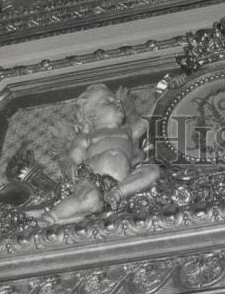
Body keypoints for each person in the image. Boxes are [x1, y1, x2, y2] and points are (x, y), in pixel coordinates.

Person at [28, 83, 160, 225]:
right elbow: (72, 157)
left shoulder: (127, 131)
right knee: (89, 197)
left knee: (153, 171)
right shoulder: (86, 137)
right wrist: (70, 166)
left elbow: (148, 119)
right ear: (92, 115)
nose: (117, 102)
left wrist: (165, 93)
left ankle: (118, 194)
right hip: (93, 180)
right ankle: (51, 217)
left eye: (116, 100)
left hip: (123, 180)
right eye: (108, 101)